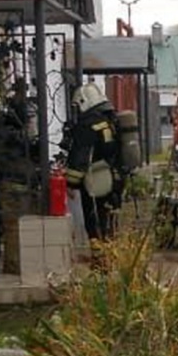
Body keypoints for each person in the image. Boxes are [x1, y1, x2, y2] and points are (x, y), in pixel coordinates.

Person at [62, 82, 121, 240]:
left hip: (94, 180)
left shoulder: (88, 125)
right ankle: (110, 246)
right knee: (108, 215)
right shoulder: (108, 119)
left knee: (94, 219)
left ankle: (99, 250)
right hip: (111, 176)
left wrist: (70, 183)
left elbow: (80, 157)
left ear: (84, 101)